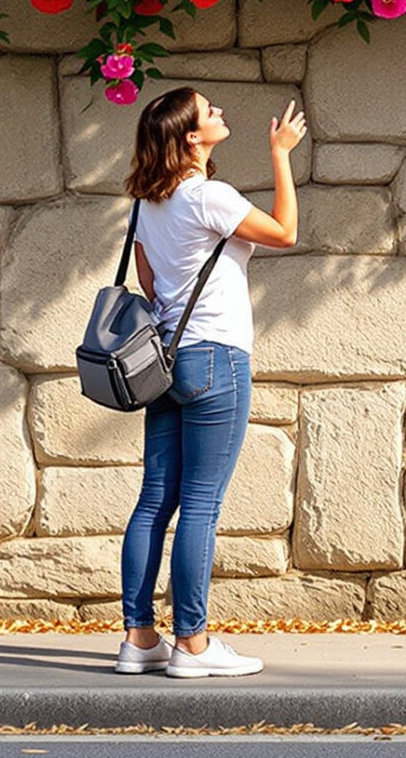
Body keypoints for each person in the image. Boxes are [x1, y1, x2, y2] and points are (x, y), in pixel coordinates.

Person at [113, 86, 305, 678]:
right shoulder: (209, 196)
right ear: (191, 138)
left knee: (154, 501)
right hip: (217, 357)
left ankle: (139, 638)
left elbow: (149, 283)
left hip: (165, 364)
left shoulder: (149, 203)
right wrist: (281, 155)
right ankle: (191, 645)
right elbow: (284, 233)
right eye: (209, 112)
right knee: (200, 504)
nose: (220, 112)